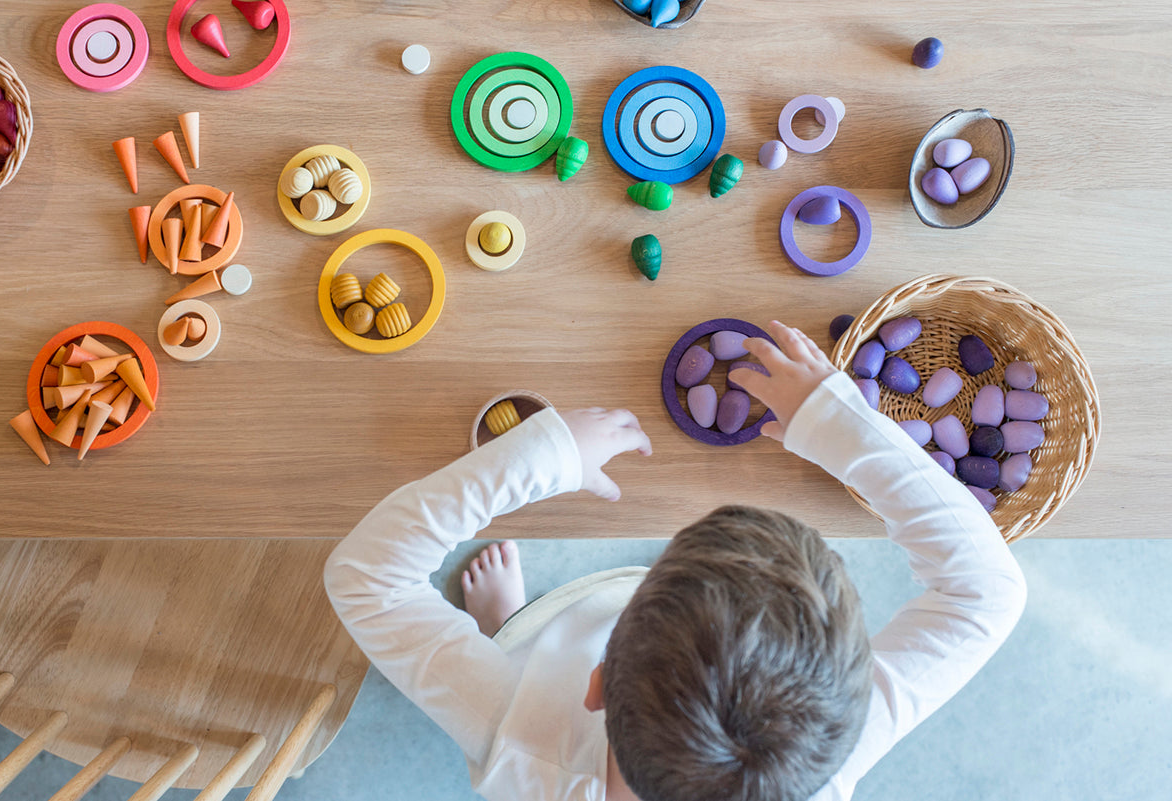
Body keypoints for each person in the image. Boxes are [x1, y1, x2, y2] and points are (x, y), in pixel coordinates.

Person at [324, 320, 1027, 801]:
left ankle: (513, 631)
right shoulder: (821, 767)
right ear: (849, 711)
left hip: (530, 690)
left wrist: (542, 456)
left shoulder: (520, 741)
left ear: (597, 685)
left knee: (517, 665)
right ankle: (513, 633)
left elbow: (366, 578)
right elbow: (986, 593)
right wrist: (835, 423)